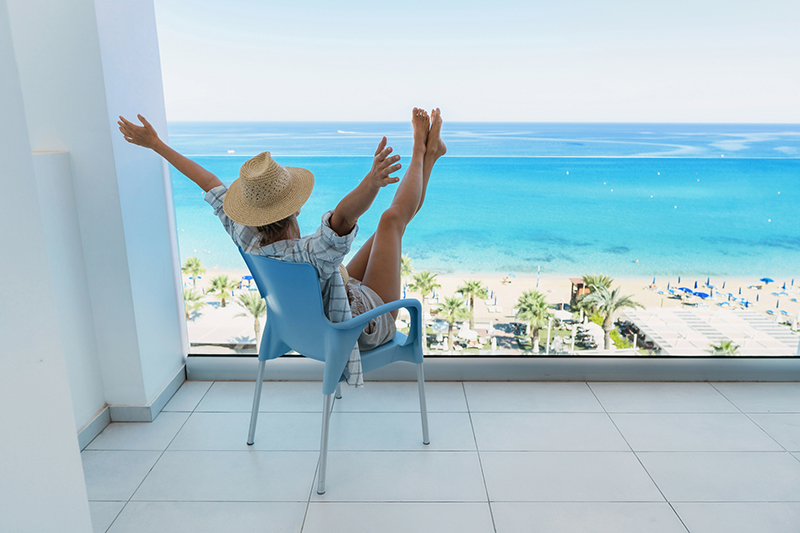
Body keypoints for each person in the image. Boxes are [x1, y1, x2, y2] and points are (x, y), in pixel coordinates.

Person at [118, 108, 446, 386]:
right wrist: (371, 182)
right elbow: (343, 216)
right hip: (360, 327)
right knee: (390, 221)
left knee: (388, 231)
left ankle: (429, 155)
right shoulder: (311, 255)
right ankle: (422, 151)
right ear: (296, 207)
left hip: (313, 325)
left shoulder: (244, 235)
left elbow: (207, 181)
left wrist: (156, 144)